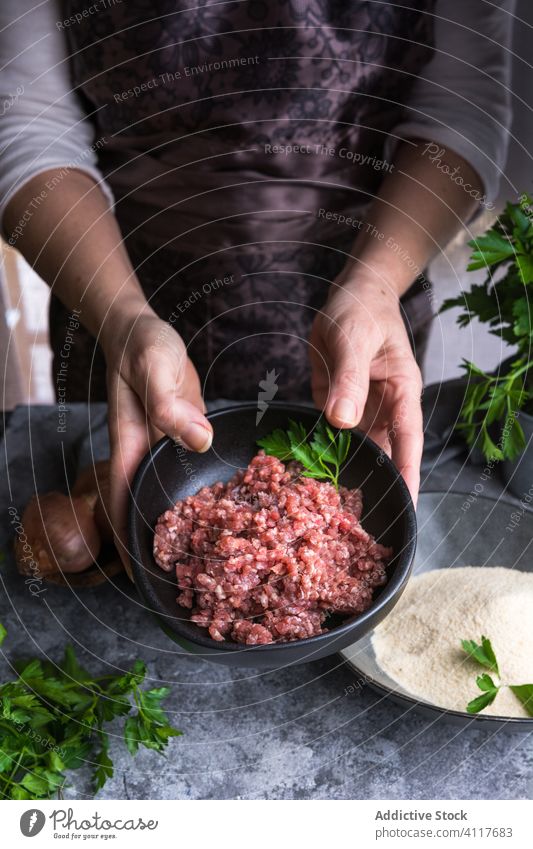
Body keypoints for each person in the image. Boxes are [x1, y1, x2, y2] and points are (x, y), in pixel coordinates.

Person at [0, 1, 513, 568]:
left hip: (368, 273)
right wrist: (124, 316)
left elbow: (463, 104)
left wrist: (376, 283)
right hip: (114, 276)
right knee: (123, 519)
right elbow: (29, 120)